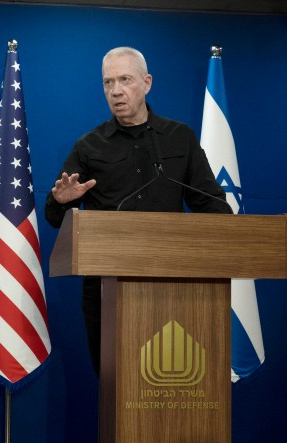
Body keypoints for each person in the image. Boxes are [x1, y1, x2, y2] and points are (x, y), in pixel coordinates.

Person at [45, 46, 231, 375]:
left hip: (174, 285)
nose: (115, 91)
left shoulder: (179, 138)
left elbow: (213, 206)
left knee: (172, 379)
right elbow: (54, 217)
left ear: (146, 83)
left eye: (125, 80)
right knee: (115, 380)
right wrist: (63, 200)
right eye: (107, 82)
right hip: (106, 287)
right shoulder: (89, 146)